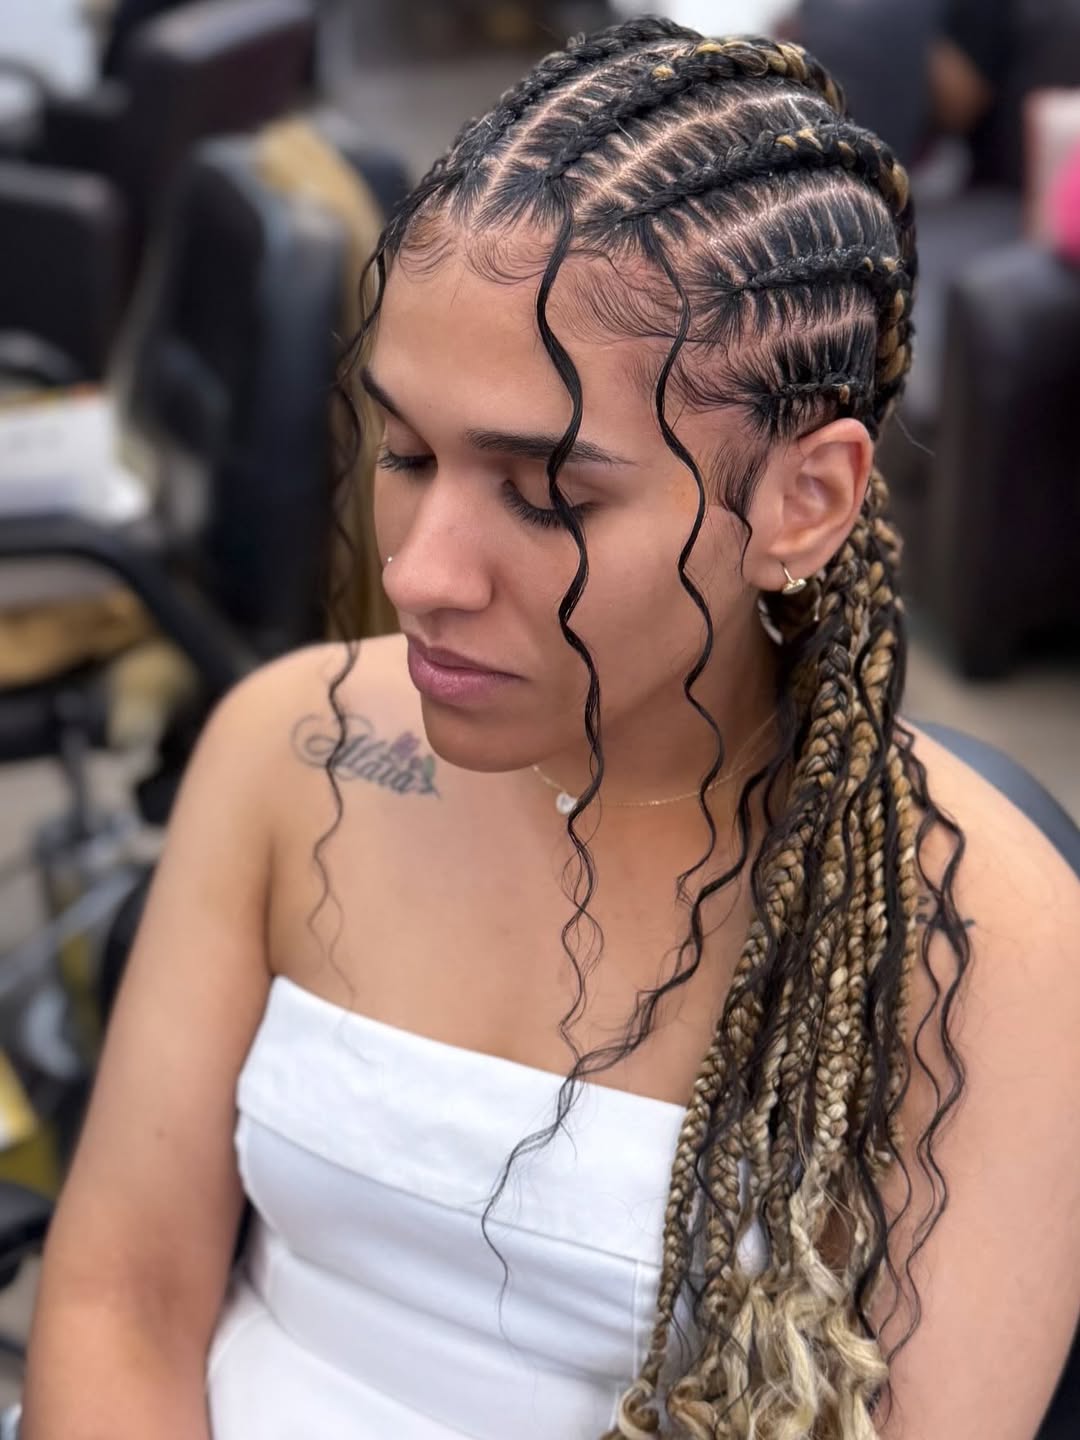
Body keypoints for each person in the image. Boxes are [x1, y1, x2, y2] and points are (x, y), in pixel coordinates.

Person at [19, 16, 1080, 1440]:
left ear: (803, 503)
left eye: (548, 494)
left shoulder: (993, 947)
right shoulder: (290, 751)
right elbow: (118, 1304)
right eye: (403, 454)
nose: (418, 574)